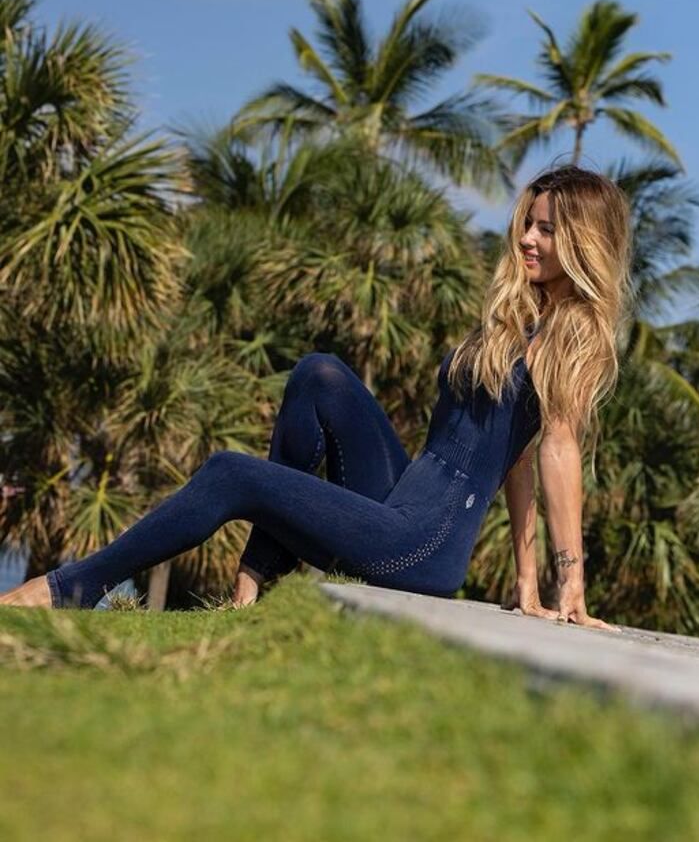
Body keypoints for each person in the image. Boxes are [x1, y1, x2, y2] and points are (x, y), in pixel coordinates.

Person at [1, 165, 632, 631]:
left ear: (581, 242)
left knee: (229, 472)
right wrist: (524, 583)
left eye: (547, 230)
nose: (528, 238)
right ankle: (256, 577)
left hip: (419, 546)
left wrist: (566, 580)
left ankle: (72, 588)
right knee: (321, 373)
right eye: (529, 222)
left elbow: (555, 450)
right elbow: (513, 463)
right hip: (399, 504)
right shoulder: (516, 316)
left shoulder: (574, 332)